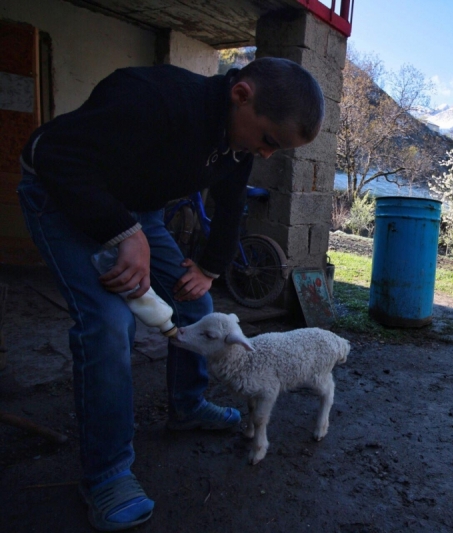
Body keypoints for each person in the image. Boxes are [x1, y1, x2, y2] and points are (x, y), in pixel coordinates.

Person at [16, 57, 324, 531]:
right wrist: (122, 232)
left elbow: (232, 201)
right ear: (240, 94)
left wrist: (209, 266)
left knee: (195, 302)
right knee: (109, 323)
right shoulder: (150, 96)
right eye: (268, 141)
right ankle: (107, 473)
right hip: (61, 194)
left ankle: (186, 405)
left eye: (276, 150)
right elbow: (54, 155)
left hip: (139, 210)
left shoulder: (238, 145)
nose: (266, 154)